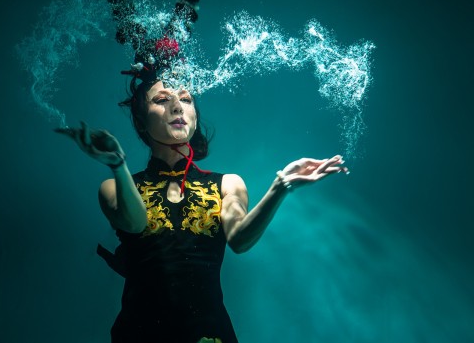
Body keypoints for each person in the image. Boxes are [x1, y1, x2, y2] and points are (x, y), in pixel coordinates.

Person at [56, 77, 348, 343]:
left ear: (195, 116)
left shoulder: (228, 183)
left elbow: (240, 240)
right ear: (141, 122)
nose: (177, 106)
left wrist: (281, 186)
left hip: (210, 334)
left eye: (186, 99)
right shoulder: (113, 186)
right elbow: (134, 223)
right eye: (162, 100)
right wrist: (118, 164)